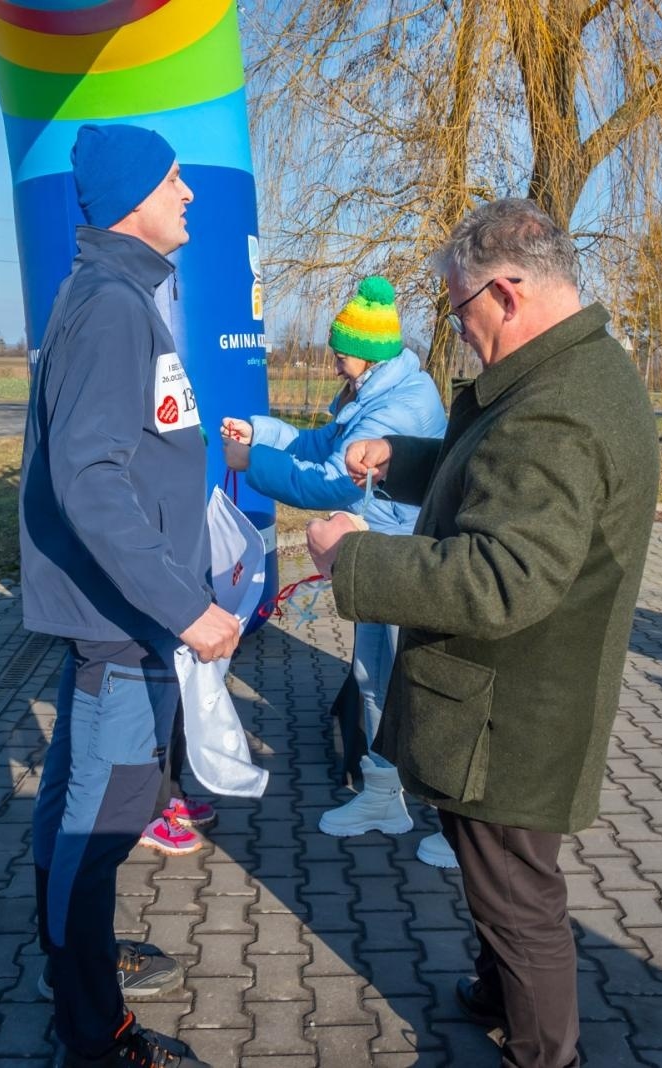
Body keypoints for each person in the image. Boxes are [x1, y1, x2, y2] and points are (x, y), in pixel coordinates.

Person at [305, 199, 657, 1067]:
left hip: (514, 710)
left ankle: (546, 1053)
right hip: (514, 696)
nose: (457, 331)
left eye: (458, 309)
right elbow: (494, 479)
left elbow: (503, 576)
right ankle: (498, 991)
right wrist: (405, 457)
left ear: (505, 291)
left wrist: (354, 560)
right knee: (493, 872)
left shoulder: (556, 409)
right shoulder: (565, 376)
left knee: (516, 894)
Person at [19, 122, 234, 1068]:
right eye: (176, 180)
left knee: (75, 806)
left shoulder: (115, 294)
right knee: (103, 826)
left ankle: (78, 968)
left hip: (114, 619)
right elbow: (90, 477)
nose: (190, 194)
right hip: (125, 626)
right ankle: (93, 1034)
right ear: (134, 198)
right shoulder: (112, 306)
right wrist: (183, 606)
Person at [220, 275, 455, 869]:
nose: (333, 355)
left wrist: (253, 464)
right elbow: (323, 440)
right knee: (372, 674)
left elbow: (329, 478)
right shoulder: (371, 388)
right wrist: (262, 431)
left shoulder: (399, 404)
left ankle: (461, 827)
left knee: (420, 687)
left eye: (340, 345)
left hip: (407, 560)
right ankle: (383, 797)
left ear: (368, 350)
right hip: (375, 555)